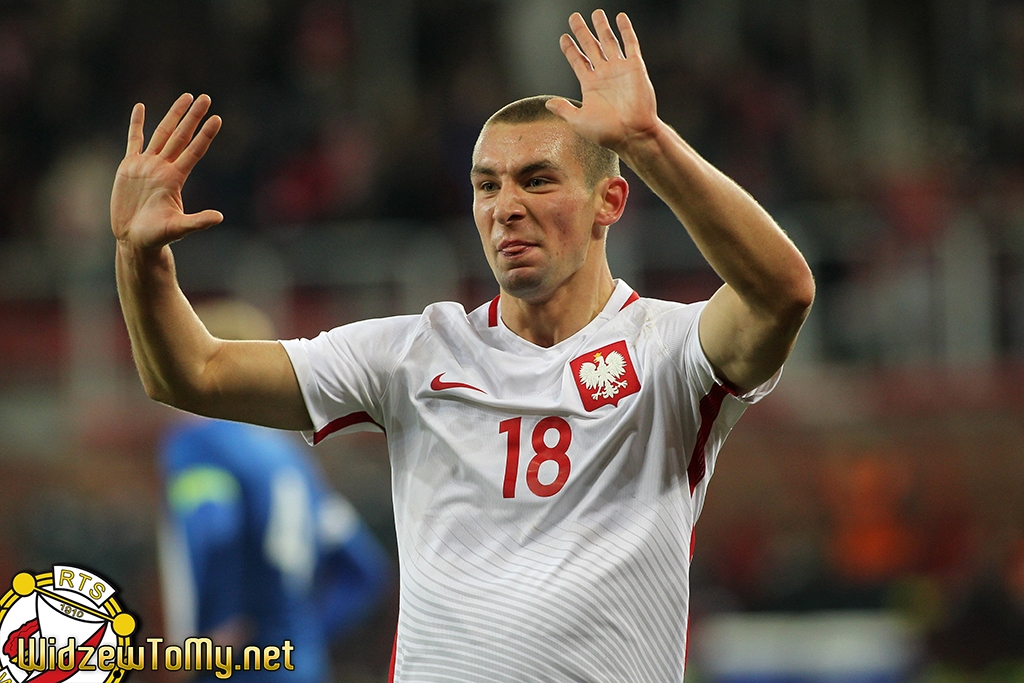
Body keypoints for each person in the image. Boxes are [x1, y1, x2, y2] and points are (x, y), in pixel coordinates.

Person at [111, 10, 814, 682]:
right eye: (486, 185)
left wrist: (648, 142)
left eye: (537, 180)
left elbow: (782, 293)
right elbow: (192, 372)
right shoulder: (413, 355)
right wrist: (140, 259)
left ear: (610, 201)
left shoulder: (670, 350)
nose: (506, 206)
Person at [156, 300, 392, 683]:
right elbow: (365, 570)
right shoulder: (291, 459)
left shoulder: (198, 443)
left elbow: (213, 528)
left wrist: (215, 625)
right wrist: (304, 637)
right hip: (302, 668)